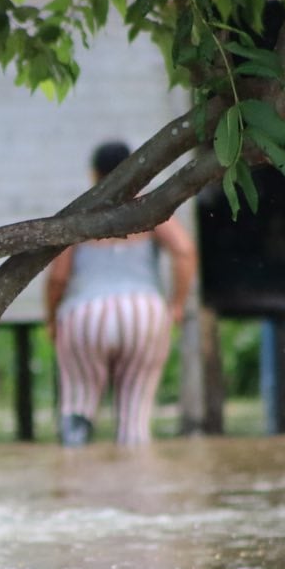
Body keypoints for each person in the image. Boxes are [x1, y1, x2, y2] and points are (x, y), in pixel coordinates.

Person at [44, 140, 196, 447]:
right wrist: (177, 304)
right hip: (144, 312)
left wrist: (51, 318)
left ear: (94, 174)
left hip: (84, 314)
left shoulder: (80, 213)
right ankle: (135, 483)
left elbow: (58, 277)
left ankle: (74, 475)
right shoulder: (149, 209)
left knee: (79, 404)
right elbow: (184, 250)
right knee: (135, 421)